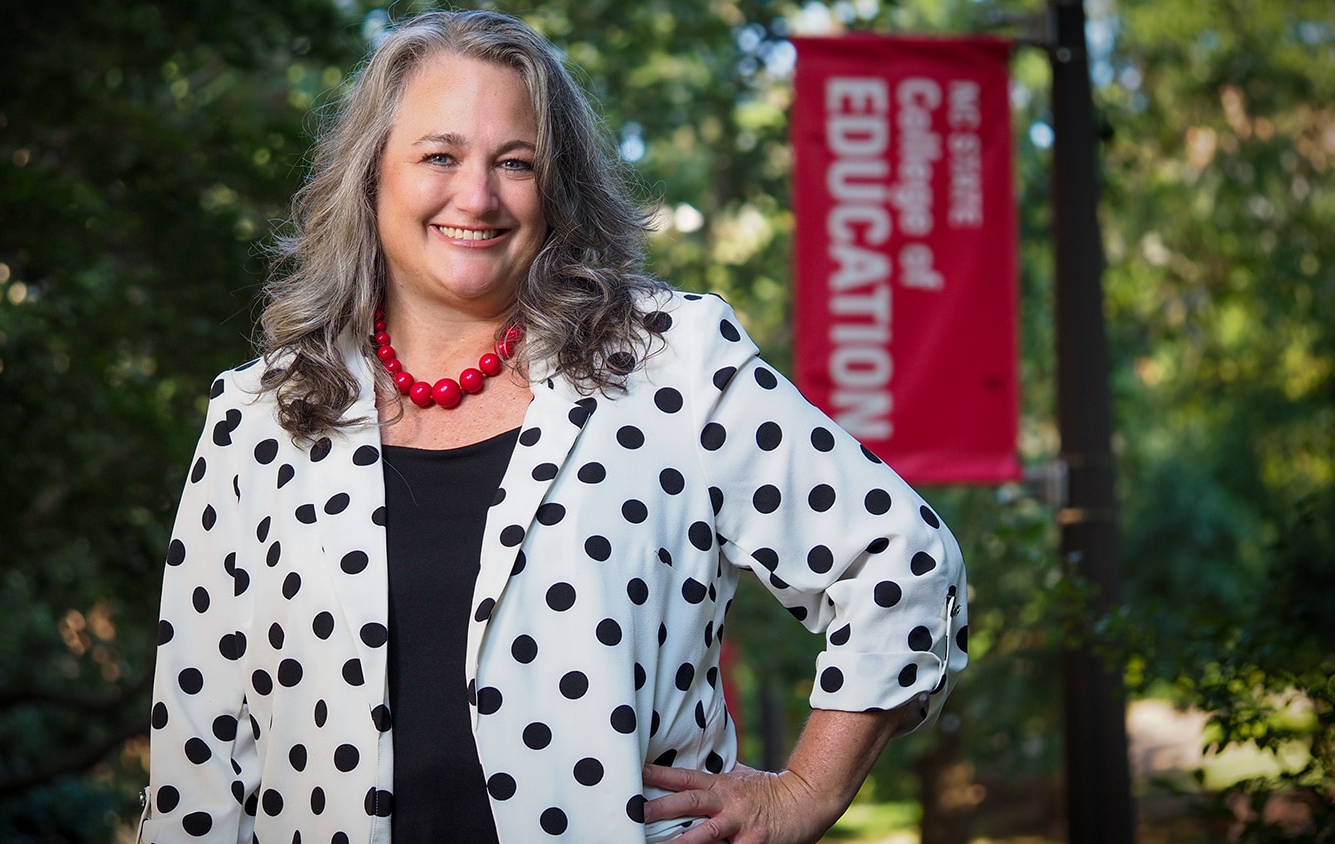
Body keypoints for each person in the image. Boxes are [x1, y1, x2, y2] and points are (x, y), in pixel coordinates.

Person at [143, 9, 968, 844]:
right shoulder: (258, 418)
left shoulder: (670, 365)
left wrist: (805, 793)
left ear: (557, 187)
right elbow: (201, 748)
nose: (477, 195)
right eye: (439, 156)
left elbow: (901, 564)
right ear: (370, 179)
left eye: (517, 163)